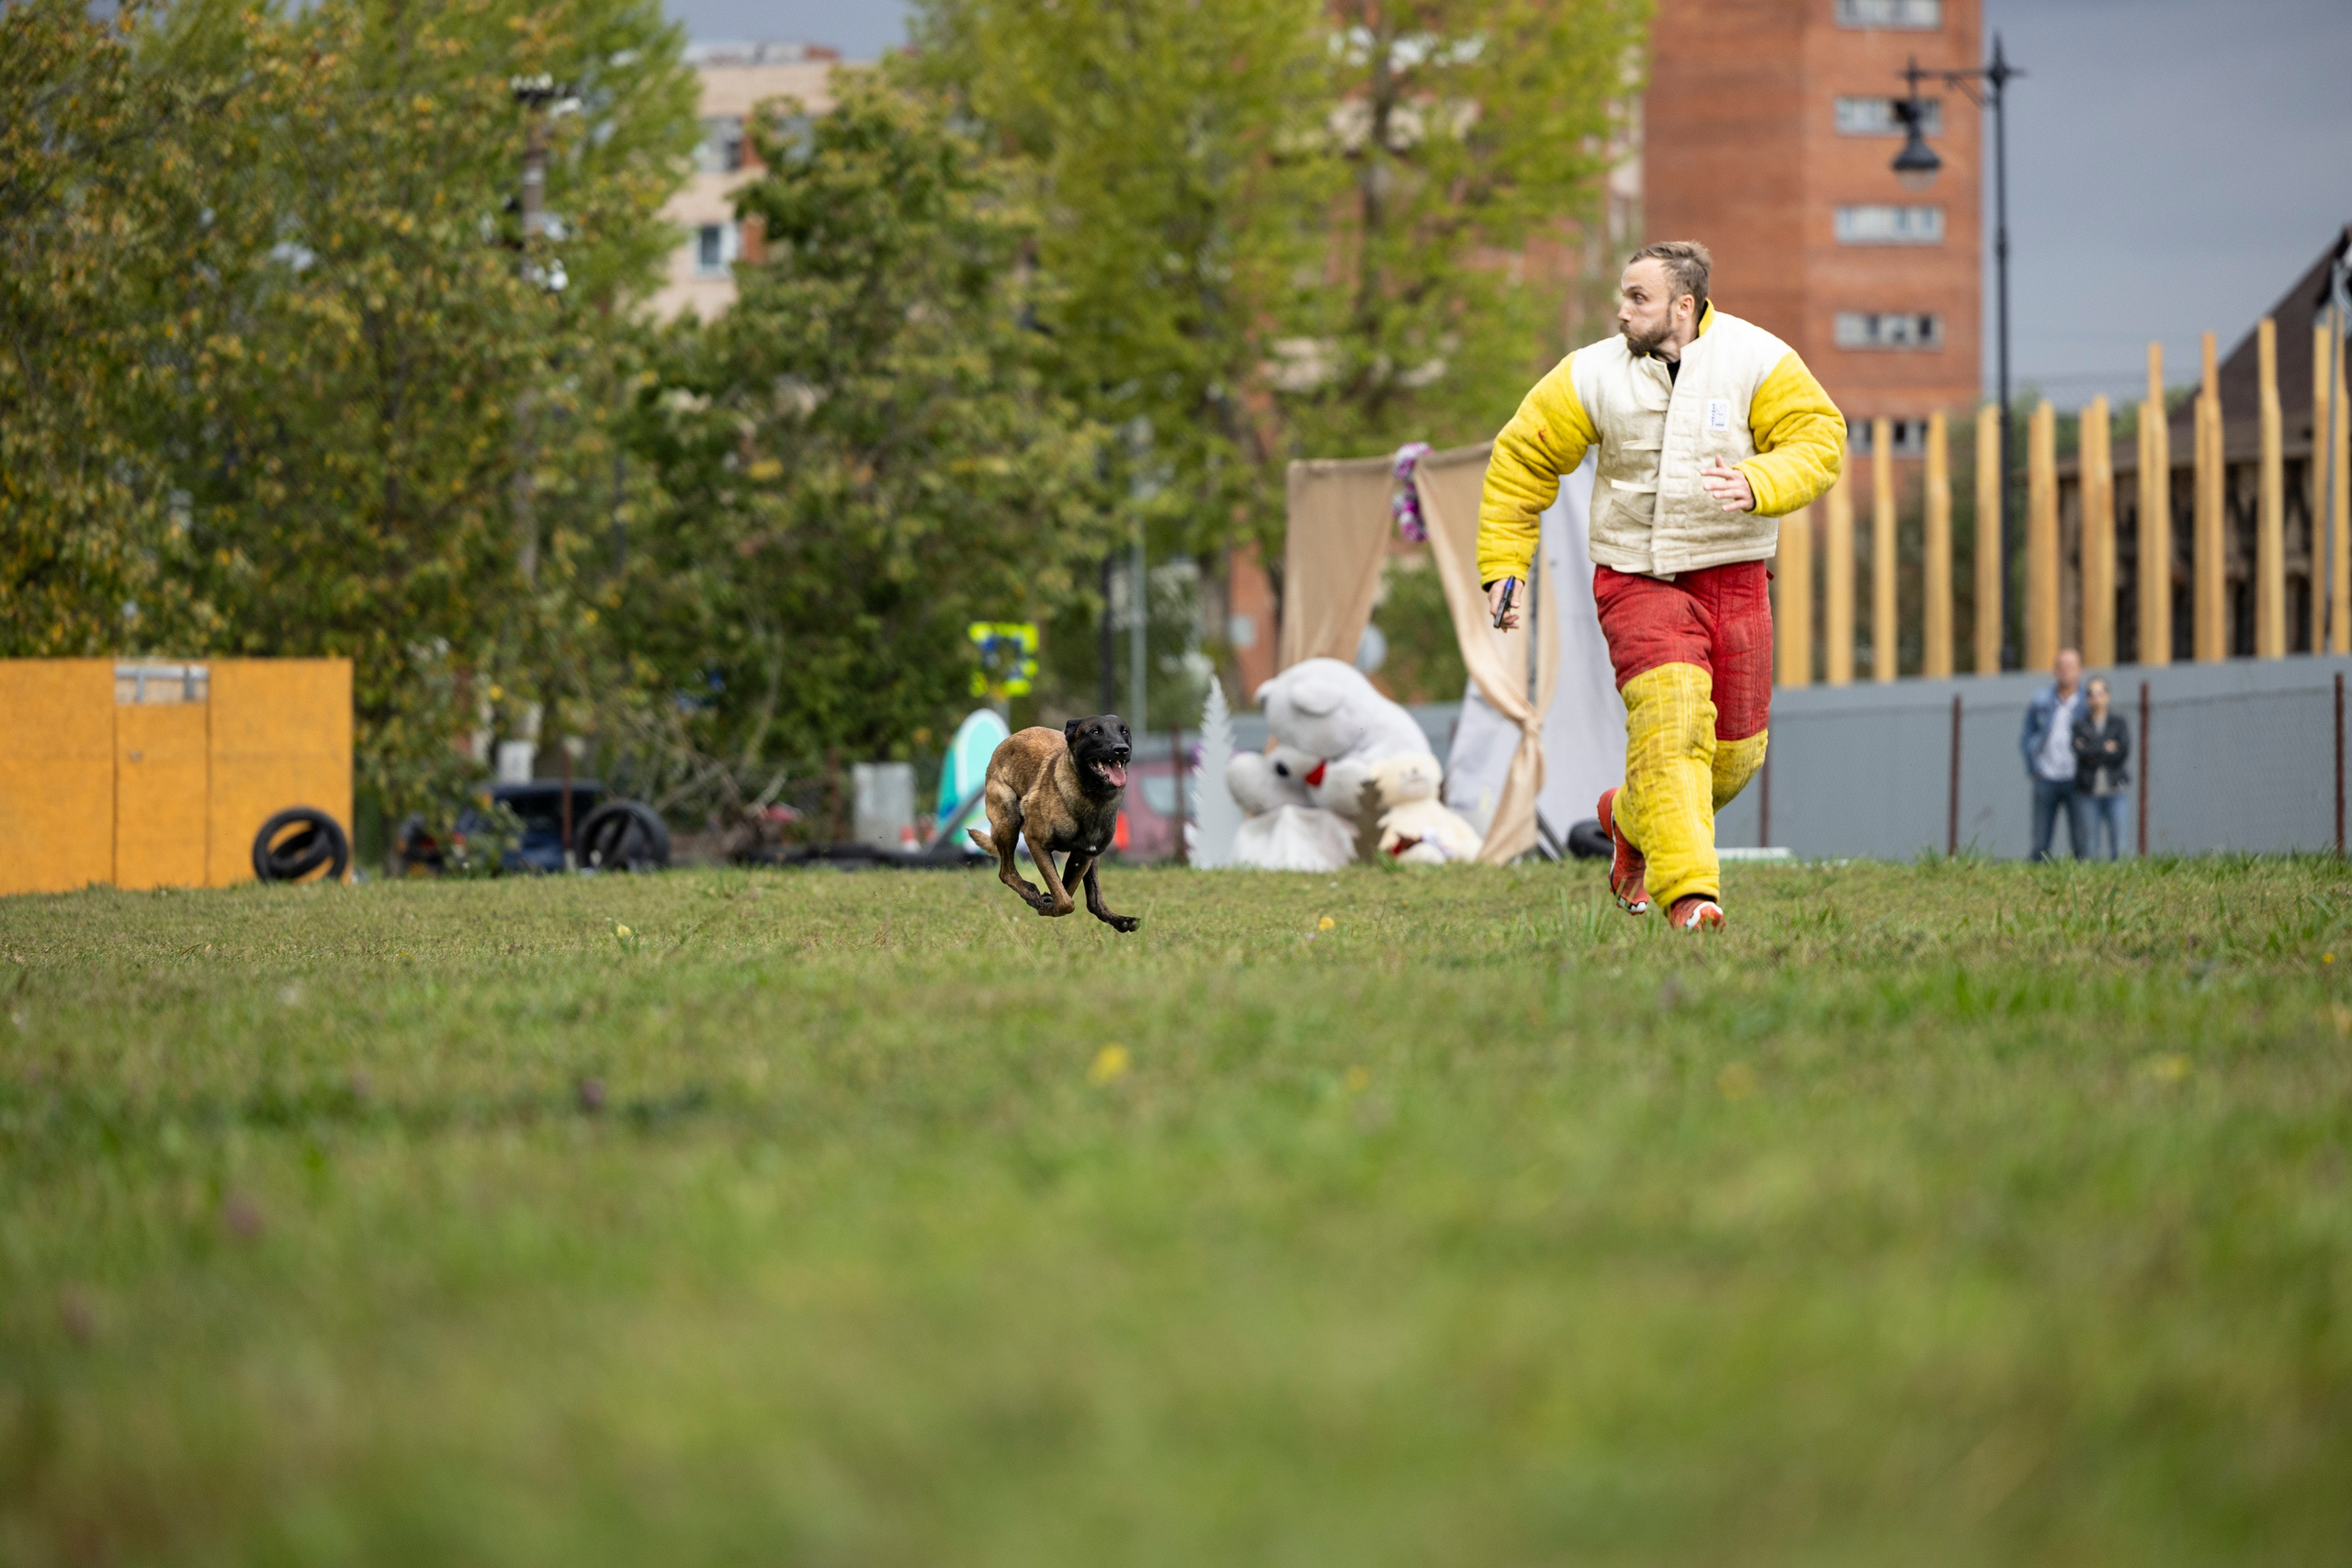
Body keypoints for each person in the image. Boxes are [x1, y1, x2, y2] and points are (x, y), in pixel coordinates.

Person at [1475, 241, 1844, 931]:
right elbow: (1521, 458)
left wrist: (1760, 480)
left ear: (1684, 303)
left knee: (1732, 759)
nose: (1621, 311)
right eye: (1622, 295)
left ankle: (1627, 815)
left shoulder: (1757, 359)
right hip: (1635, 580)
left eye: (1637, 298)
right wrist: (1504, 563)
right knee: (1673, 727)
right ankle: (1690, 898)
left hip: (1734, 576)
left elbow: (1819, 438)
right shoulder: (1590, 374)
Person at [2019, 648, 2087, 862]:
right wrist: (2033, 769)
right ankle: (2035, 883)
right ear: (2055, 670)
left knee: (2081, 840)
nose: (2066, 671)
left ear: (2079, 670)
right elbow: (2026, 736)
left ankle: (2083, 882)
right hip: (2046, 777)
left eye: (2071, 666)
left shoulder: (2088, 702)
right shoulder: (2041, 700)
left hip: (2077, 778)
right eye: (2061, 666)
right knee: (2040, 841)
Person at [2071, 674, 2132, 860]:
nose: (2095, 697)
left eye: (2099, 692)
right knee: (2089, 848)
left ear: (2108, 696)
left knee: (2120, 847)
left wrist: (2091, 748)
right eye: (2090, 693)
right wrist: (2105, 746)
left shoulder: (2118, 723)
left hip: (2115, 790)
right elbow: (2080, 753)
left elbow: (2121, 753)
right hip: (2088, 792)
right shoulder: (2079, 725)